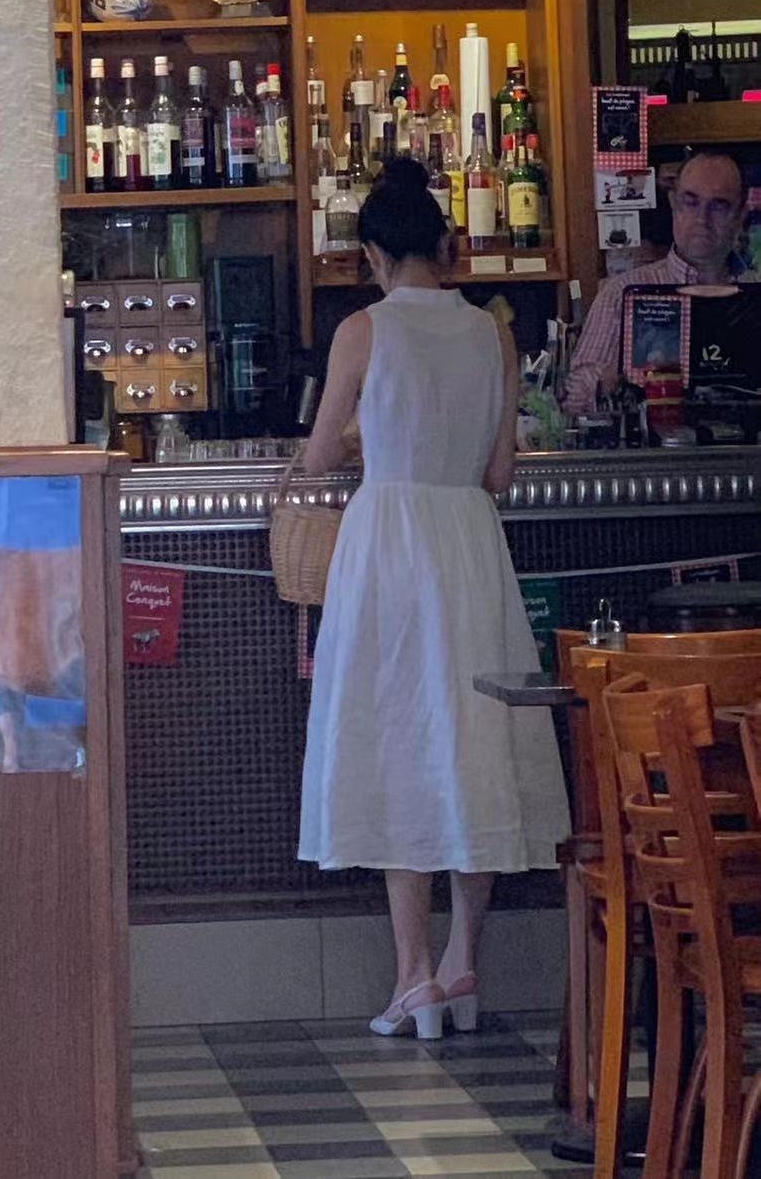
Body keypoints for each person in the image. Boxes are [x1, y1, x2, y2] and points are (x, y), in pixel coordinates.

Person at [298, 157, 569, 1039]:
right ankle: (461, 966)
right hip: (467, 542)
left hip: (389, 544)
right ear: (445, 246)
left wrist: (360, 434)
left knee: (396, 738)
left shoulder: (363, 330)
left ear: (374, 253)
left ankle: (410, 974)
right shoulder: (493, 333)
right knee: (473, 739)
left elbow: (317, 456)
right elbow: (498, 473)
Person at [565, 149, 753, 413]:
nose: (702, 219)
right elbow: (574, 398)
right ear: (674, 205)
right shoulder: (621, 293)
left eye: (719, 205)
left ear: (741, 215)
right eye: (691, 202)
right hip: (651, 438)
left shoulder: (755, 294)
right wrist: (613, 382)